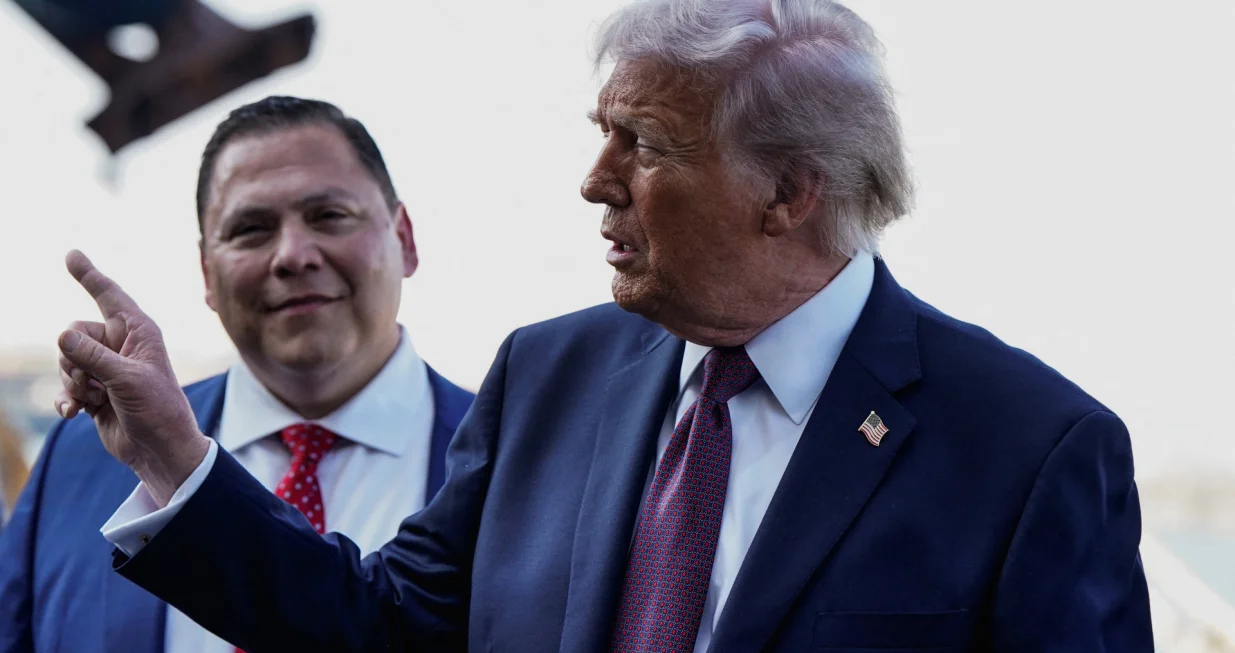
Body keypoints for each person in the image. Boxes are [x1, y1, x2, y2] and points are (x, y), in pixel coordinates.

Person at [48, 1, 1153, 650]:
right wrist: (174, 457)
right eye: (601, 134)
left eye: (644, 145)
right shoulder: (549, 372)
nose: (593, 181)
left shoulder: (1028, 449)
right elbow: (380, 628)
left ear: (789, 192)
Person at [0, 96, 475, 653]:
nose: (293, 255)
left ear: (404, 239)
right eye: (252, 228)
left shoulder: (517, 464)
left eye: (329, 216)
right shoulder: (79, 459)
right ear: (206, 271)